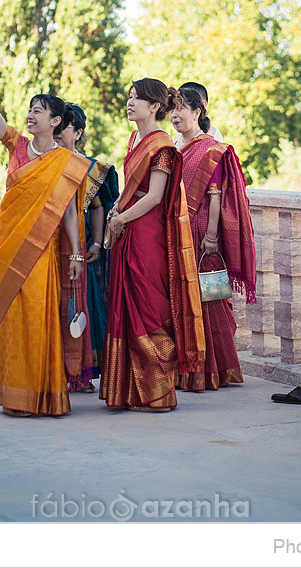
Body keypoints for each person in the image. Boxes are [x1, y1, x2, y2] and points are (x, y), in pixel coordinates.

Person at [0, 40, 92, 417]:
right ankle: (16, 396)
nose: (31, 115)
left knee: (38, 317)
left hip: (42, 249)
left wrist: (77, 254)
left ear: (56, 122)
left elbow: (68, 212)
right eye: (30, 110)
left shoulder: (65, 161)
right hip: (10, 246)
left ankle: (41, 395)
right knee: (14, 321)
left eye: (40, 111)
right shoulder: (16, 144)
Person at [99, 78, 206, 411]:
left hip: (147, 235)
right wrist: (117, 206)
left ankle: (158, 393)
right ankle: (131, 392)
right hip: (129, 227)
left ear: (155, 106)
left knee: (149, 307)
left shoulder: (161, 146)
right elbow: (133, 189)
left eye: (137, 98)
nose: (130, 103)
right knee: (125, 306)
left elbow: (156, 197)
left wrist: (121, 218)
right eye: (129, 97)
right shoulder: (135, 138)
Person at [170, 87, 256, 390]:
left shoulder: (211, 149)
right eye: (172, 109)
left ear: (197, 113)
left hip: (202, 232)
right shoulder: (175, 147)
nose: (175, 114)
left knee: (210, 299)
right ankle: (189, 366)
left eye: (182, 108)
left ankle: (216, 368)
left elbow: (215, 195)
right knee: (183, 298)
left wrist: (210, 237)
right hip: (179, 232)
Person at [56, 104, 119, 390]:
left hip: (80, 245)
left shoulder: (91, 168)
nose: (56, 133)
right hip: (49, 243)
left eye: (63, 128)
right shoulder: (43, 160)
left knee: (82, 305)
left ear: (78, 132)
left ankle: (81, 374)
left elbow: (96, 207)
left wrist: (96, 242)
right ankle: (55, 371)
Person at [173, 81, 224, 148]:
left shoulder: (213, 134)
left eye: (181, 108)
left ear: (203, 105)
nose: (174, 114)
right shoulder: (177, 138)